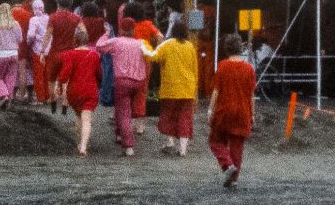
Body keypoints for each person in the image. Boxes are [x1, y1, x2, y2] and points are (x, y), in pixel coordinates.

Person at [208, 32, 258, 184]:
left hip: (224, 110)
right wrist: (252, 115)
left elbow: (216, 91)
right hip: (243, 111)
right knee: (237, 146)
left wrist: (210, 110)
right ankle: (234, 178)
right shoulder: (249, 69)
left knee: (215, 141)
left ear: (226, 49)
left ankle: (227, 164)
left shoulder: (222, 66)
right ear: (240, 48)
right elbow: (251, 96)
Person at [148, 20, 201, 156]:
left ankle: (170, 141)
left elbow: (153, 57)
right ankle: (183, 149)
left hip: (170, 88)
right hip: (187, 88)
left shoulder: (167, 45)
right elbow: (195, 69)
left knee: (169, 115)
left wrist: (143, 45)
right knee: (185, 117)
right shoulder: (190, 46)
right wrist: (195, 88)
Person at [101, 18, 148, 155]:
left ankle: (128, 146)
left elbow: (99, 46)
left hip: (122, 81)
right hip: (139, 81)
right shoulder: (141, 43)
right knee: (129, 110)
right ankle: (120, 133)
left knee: (123, 112)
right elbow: (150, 56)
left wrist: (107, 33)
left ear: (121, 29)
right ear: (134, 30)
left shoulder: (116, 42)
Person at [60, 30, 106, 155]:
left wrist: (61, 84)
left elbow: (64, 76)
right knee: (87, 119)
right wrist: (100, 85)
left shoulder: (69, 54)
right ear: (87, 40)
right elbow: (99, 74)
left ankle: (80, 142)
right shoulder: (94, 55)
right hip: (90, 90)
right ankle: (83, 147)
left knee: (79, 117)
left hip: (74, 91)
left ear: (75, 40)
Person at [0, 0, 24, 107]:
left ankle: (4, 96)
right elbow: (20, 39)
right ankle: (10, 98)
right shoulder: (16, 23)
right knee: (11, 77)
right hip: (14, 53)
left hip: (1, 54)